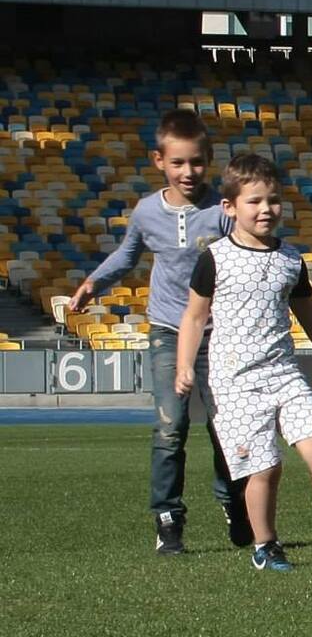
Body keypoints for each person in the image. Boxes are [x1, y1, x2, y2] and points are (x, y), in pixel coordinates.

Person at [176, 153, 312, 572]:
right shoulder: (215, 259)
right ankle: (265, 545)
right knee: (264, 467)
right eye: (254, 201)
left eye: (273, 200)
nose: (266, 209)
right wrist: (184, 366)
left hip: (284, 374)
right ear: (229, 207)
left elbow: (308, 313)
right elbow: (195, 316)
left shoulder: (291, 259)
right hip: (234, 382)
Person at [67, 108, 247, 556]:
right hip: (168, 332)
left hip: (219, 337)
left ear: (209, 161)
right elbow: (127, 256)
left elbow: (244, 258)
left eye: (197, 162)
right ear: (159, 161)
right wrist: (93, 283)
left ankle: (234, 501)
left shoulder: (222, 211)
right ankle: (168, 519)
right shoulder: (148, 212)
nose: (189, 172)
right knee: (171, 427)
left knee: (228, 428)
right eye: (179, 163)